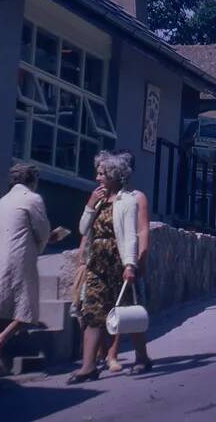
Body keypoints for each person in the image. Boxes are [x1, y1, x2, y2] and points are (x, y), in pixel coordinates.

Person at [68, 152, 150, 384]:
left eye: (102, 174)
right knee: (92, 312)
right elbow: (84, 229)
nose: (98, 178)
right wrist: (90, 205)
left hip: (118, 263)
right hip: (97, 263)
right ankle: (88, 366)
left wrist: (130, 264)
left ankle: (142, 357)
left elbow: (131, 236)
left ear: (114, 176)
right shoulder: (99, 200)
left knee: (127, 312)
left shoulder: (127, 201)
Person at [0, 164, 63, 377]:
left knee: (1, 307)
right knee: (26, 308)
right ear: (33, 180)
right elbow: (42, 230)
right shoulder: (33, 199)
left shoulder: (3, 200)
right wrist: (48, 241)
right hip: (17, 255)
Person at [104, 150, 150, 374]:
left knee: (128, 308)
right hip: (104, 260)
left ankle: (139, 355)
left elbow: (142, 230)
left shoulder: (136, 197)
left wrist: (141, 258)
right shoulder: (103, 196)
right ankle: (107, 355)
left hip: (126, 258)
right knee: (109, 309)